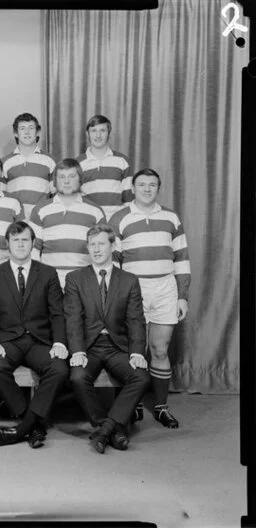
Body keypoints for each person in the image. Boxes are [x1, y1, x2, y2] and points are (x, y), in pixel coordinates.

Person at [109, 168, 190, 428]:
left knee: (159, 349)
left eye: (152, 185)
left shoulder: (170, 217)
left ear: (158, 188)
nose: (146, 189)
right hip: (134, 289)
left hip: (166, 287)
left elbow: (182, 259)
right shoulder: (120, 217)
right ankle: (131, 407)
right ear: (133, 188)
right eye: (141, 184)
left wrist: (182, 296)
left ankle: (161, 406)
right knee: (134, 351)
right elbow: (113, 262)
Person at [64, 223, 150, 453]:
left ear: (113, 245)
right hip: (89, 347)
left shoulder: (129, 280)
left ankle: (105, 430)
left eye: (101, 243)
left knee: (140, 377)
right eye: (92, 244)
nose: (97, 249)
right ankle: (111, 428)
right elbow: (73, 318)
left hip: (117, 347)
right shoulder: (75, 279)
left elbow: (135, 320)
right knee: (78, 376)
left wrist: (137, 353)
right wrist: (78, 351)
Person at [0, 221, 68, 449]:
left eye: (25, 239)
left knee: (59, 368)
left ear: (33, 243)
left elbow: (57, 313)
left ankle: (23, 427)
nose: (20, 244)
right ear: (7, 244)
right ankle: (33, 424)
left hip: (38, 341)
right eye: (15, 240)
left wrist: (60, 341)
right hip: (7, 341)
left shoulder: (48, 273)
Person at [29, 158, 105, 289]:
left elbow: (104, 251)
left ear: (80, 179)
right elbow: (34, 249)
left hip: (84, 283)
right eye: (61, 177)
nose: (67, 181)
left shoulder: (95, 211)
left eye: (72, 176)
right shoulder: (40, 210)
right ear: (55, 181)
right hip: (49, 283)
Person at [76, 114, 133, 219]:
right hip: (89, 220)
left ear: (109, 133)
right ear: (87, 133)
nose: (98, 135)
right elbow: (75, 197)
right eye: (94, 131)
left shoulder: (122, 161)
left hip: (116, 221)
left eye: (102, 131)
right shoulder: (78, 163)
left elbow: (128, 198)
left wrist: (123, 220)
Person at [2, 113, 56, 219]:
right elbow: (2, 195)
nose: (27, 132)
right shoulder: (5, 162)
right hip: (14, 219)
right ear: (16, 133)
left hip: (41, 218)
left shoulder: (50, 160)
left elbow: (54, 194)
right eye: (22, 128)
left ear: (37, 132)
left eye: (31, 128)